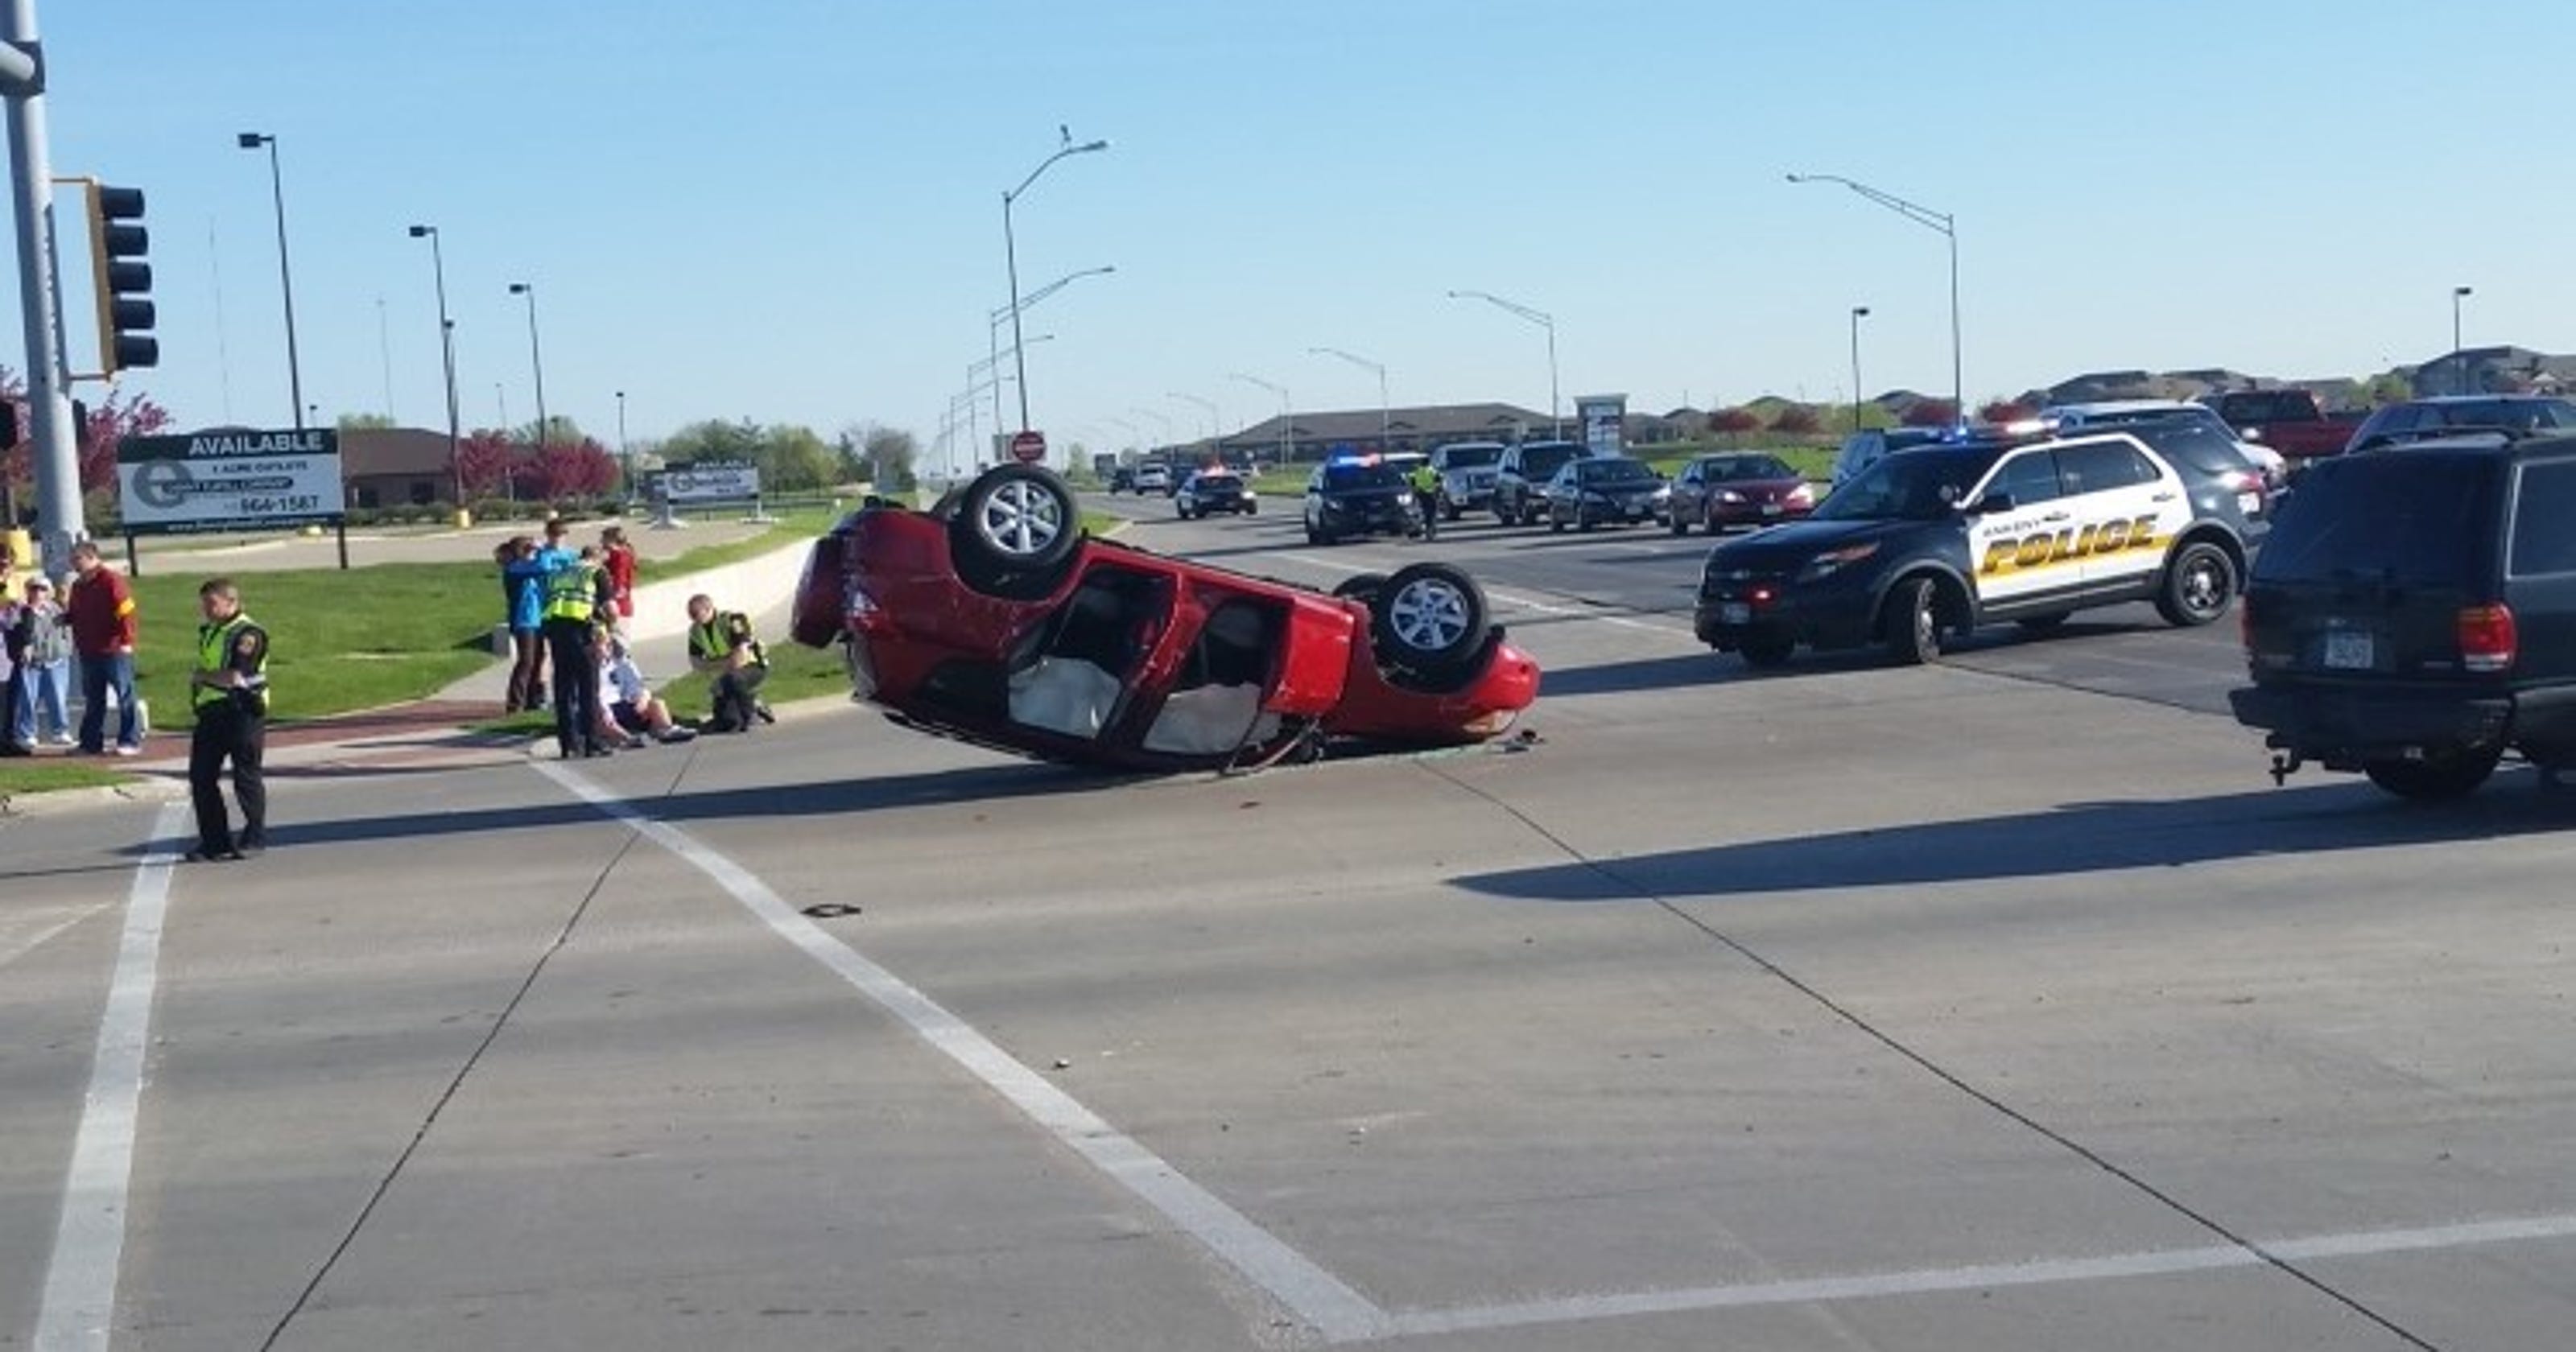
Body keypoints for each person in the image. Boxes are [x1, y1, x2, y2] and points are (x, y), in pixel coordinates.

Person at [185, 577, 268, 863]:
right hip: (212, 713)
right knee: (201, 778)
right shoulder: (210, 630)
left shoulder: (249, 634)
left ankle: (254, 836)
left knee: (246, 775)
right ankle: (214, 841)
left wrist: (202, 677)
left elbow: (236, 676)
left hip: (243, 711)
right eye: (204, 604)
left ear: (231, 602)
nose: (206, 609)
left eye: (212, 603)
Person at [66, 541, 143, 756]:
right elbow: (76, 613)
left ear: (92, 557)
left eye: (77, 560)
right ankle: (91, 742)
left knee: (125, 695)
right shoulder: (78, 585)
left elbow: (126, 611)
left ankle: (130, 740)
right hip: (89, 650)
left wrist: (127, 641)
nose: (74, 565)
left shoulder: (111, 580)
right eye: (73, 560)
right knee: (93, 698)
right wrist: (65, 618)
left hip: (114, 649)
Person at [539, 542, 610, 758]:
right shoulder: (597, 573)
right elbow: (609, 608)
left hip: (558, 634)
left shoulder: (560, 574)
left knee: (564, 692)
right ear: (597, 558)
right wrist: (606, 637)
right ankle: (591, 741)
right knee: (589, 690)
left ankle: (568, 744)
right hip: (584, 634)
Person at [589, 625, 696, 748]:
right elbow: (593, 698)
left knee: (657, 703)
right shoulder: (586, 670)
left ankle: (666, 729)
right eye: (599, 646)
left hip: (625, 705)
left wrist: (642, 698)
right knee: (601, 714)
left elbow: (639, 686)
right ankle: (628, 739)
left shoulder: (621, 663)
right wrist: (603, 709)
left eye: (607, 645)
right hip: (603, 708)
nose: (605, 649)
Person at [685, 593, 773, 733]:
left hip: (754, 667)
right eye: (691, 615)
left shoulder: (733, 620)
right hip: (727, 672)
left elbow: (742, 656)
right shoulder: (695, 631)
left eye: (696, 614)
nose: (693, 618)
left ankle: (751, 715)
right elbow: (696, 663)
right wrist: (725, 664)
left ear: (709, 609)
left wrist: (716, 667)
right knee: (729, 722)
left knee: (732, 679)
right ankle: (753, 705)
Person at [10, 576, 74, 748]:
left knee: (58, 698)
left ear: (49, 592)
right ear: (28, 591)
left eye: (43, 589)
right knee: (28, 699)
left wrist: (66, 650)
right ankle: (27, 733)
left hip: (56, 660)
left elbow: (70, 624)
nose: (38, 593)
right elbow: (20, 629)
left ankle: (60, 731)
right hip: (32, 663)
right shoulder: (23, 610)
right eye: (34, 589)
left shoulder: (57, 609)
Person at [496, 535, 550, 712]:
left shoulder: (527, 567)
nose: (532, 551)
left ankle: (532, 699)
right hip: (523, 621)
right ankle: (515, 703)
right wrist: (542, 550)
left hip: (538, 619)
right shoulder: (514, 569)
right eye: (528, 549)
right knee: (526, 661)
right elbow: (543, 567)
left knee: (538, 658)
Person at [601, 525, 638, 623]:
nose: (601, 542)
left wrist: (612, 600)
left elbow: (619, 579)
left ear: (611, 540)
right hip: (621, 604)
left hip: (618, 606)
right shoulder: (625, 553)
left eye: (604, 539)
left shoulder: (620, 556)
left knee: (618, 635)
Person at [1408, 457, 1441, 541]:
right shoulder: (1431, 470)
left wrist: (1414, 491)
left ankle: (1425, 529)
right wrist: (1438, 490)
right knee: (1432, 513)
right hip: (1431, 494)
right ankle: (1431, 530)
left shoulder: (1417, 471)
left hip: (1420, 494)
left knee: (1424, 512)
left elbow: (1411, 480)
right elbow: (1439, 480)